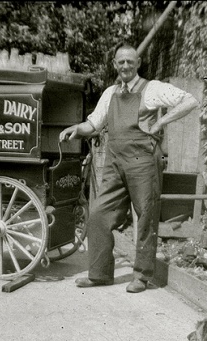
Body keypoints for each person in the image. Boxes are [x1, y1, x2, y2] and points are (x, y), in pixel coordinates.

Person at [59, 43, 199, 293]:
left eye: (129, 61)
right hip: (114, 163)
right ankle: (99, 274)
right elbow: (93, 124)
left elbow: (190, 100)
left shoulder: (152, 88)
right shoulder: (110, 93)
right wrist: (75, 129)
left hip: (143, 161)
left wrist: (161, 122)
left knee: (145, 216)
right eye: (120, 61)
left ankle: (141, 276)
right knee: (99, 213)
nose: (125, 65)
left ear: (138, 63)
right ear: (114, 64)